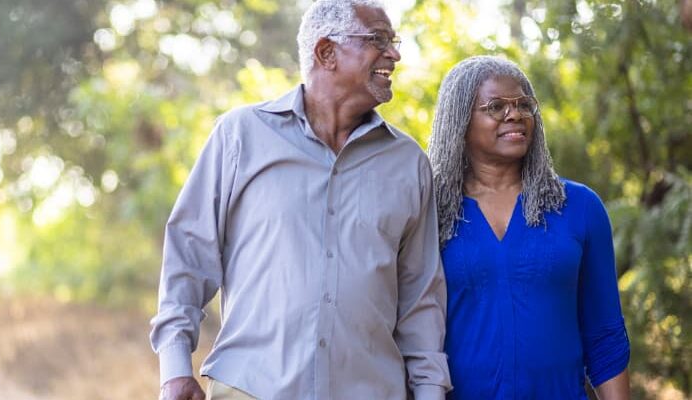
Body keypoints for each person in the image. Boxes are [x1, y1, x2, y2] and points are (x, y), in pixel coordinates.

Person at [150, 0, 451, 399]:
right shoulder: (240, 136)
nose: (394, 54)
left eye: (392, 41)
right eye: (378, 40)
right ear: (326, 52)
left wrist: (430, 392)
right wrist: (174, 369)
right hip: (251, 388)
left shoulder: (408, 162)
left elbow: (420, 299)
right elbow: (188, 257)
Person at [427, 55, 631, 399]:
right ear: (460, 120)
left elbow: (605, 337)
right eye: (495, 106)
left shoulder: (579, 207)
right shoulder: (430, 211)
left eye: (524, 104)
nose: (515, 114)